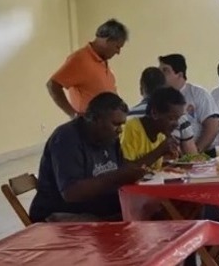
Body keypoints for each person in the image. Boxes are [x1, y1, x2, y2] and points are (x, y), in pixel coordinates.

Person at [29, 93, 146, 223]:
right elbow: (71, 193)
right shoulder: (66, 138)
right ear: (95, 119)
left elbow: (121, 169)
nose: (120, 130)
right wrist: (117, 176)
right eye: (115, 124)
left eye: (122, 125)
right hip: (58, 212)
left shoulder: (110, 138)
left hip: (94, 206)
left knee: (147, 207)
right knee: (128, 220)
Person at [47, 19, 128, 117]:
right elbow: (53, 85)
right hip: (88, 128)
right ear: (108, 40)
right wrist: (73, 115)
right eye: (117, 47)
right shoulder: (80, 59)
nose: (118, 52)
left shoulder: (104, 63)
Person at [159, 54, 219, 156]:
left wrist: (194, 153)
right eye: (159, 71)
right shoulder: (159, 97)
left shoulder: (198, 94)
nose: (160, 75)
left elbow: (212, 127)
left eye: (165, 71)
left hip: (201, 153)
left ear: (179, 74)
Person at [128, 67, 198, 155]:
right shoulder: (175, 113)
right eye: (172, 118)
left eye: (176, 119)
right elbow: (192, 155)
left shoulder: (128, 115)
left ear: (141, 89)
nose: (176, 123)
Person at [121, 87, 186, 170]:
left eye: (178, 119)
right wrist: (159, 151)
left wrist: (170, 165)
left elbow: (151, 170)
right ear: (154, 113)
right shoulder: (130, 129)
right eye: (171, 118)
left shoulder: (161, 135)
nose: (176, 124)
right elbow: (126, 170)